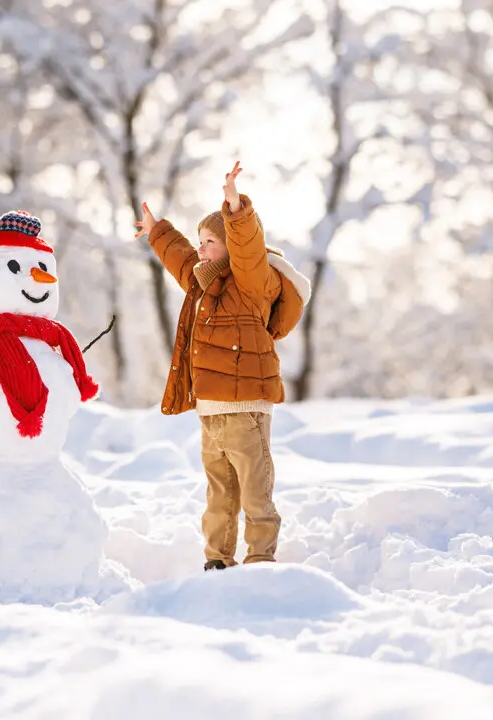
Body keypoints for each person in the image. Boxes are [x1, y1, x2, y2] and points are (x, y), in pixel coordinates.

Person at [135, 162, 311, 570]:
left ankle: (261, 558)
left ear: (232, 246)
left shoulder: (252, 282)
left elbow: (247, 245)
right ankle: (218, 559)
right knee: (219, 494)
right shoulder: (203, 283)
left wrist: (234, 207)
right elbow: (181, 258)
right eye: (201, 240)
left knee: (254, 489)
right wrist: (158, 230)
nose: (201, 247)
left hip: (245, 408)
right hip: (211, 411)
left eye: (211, 240)